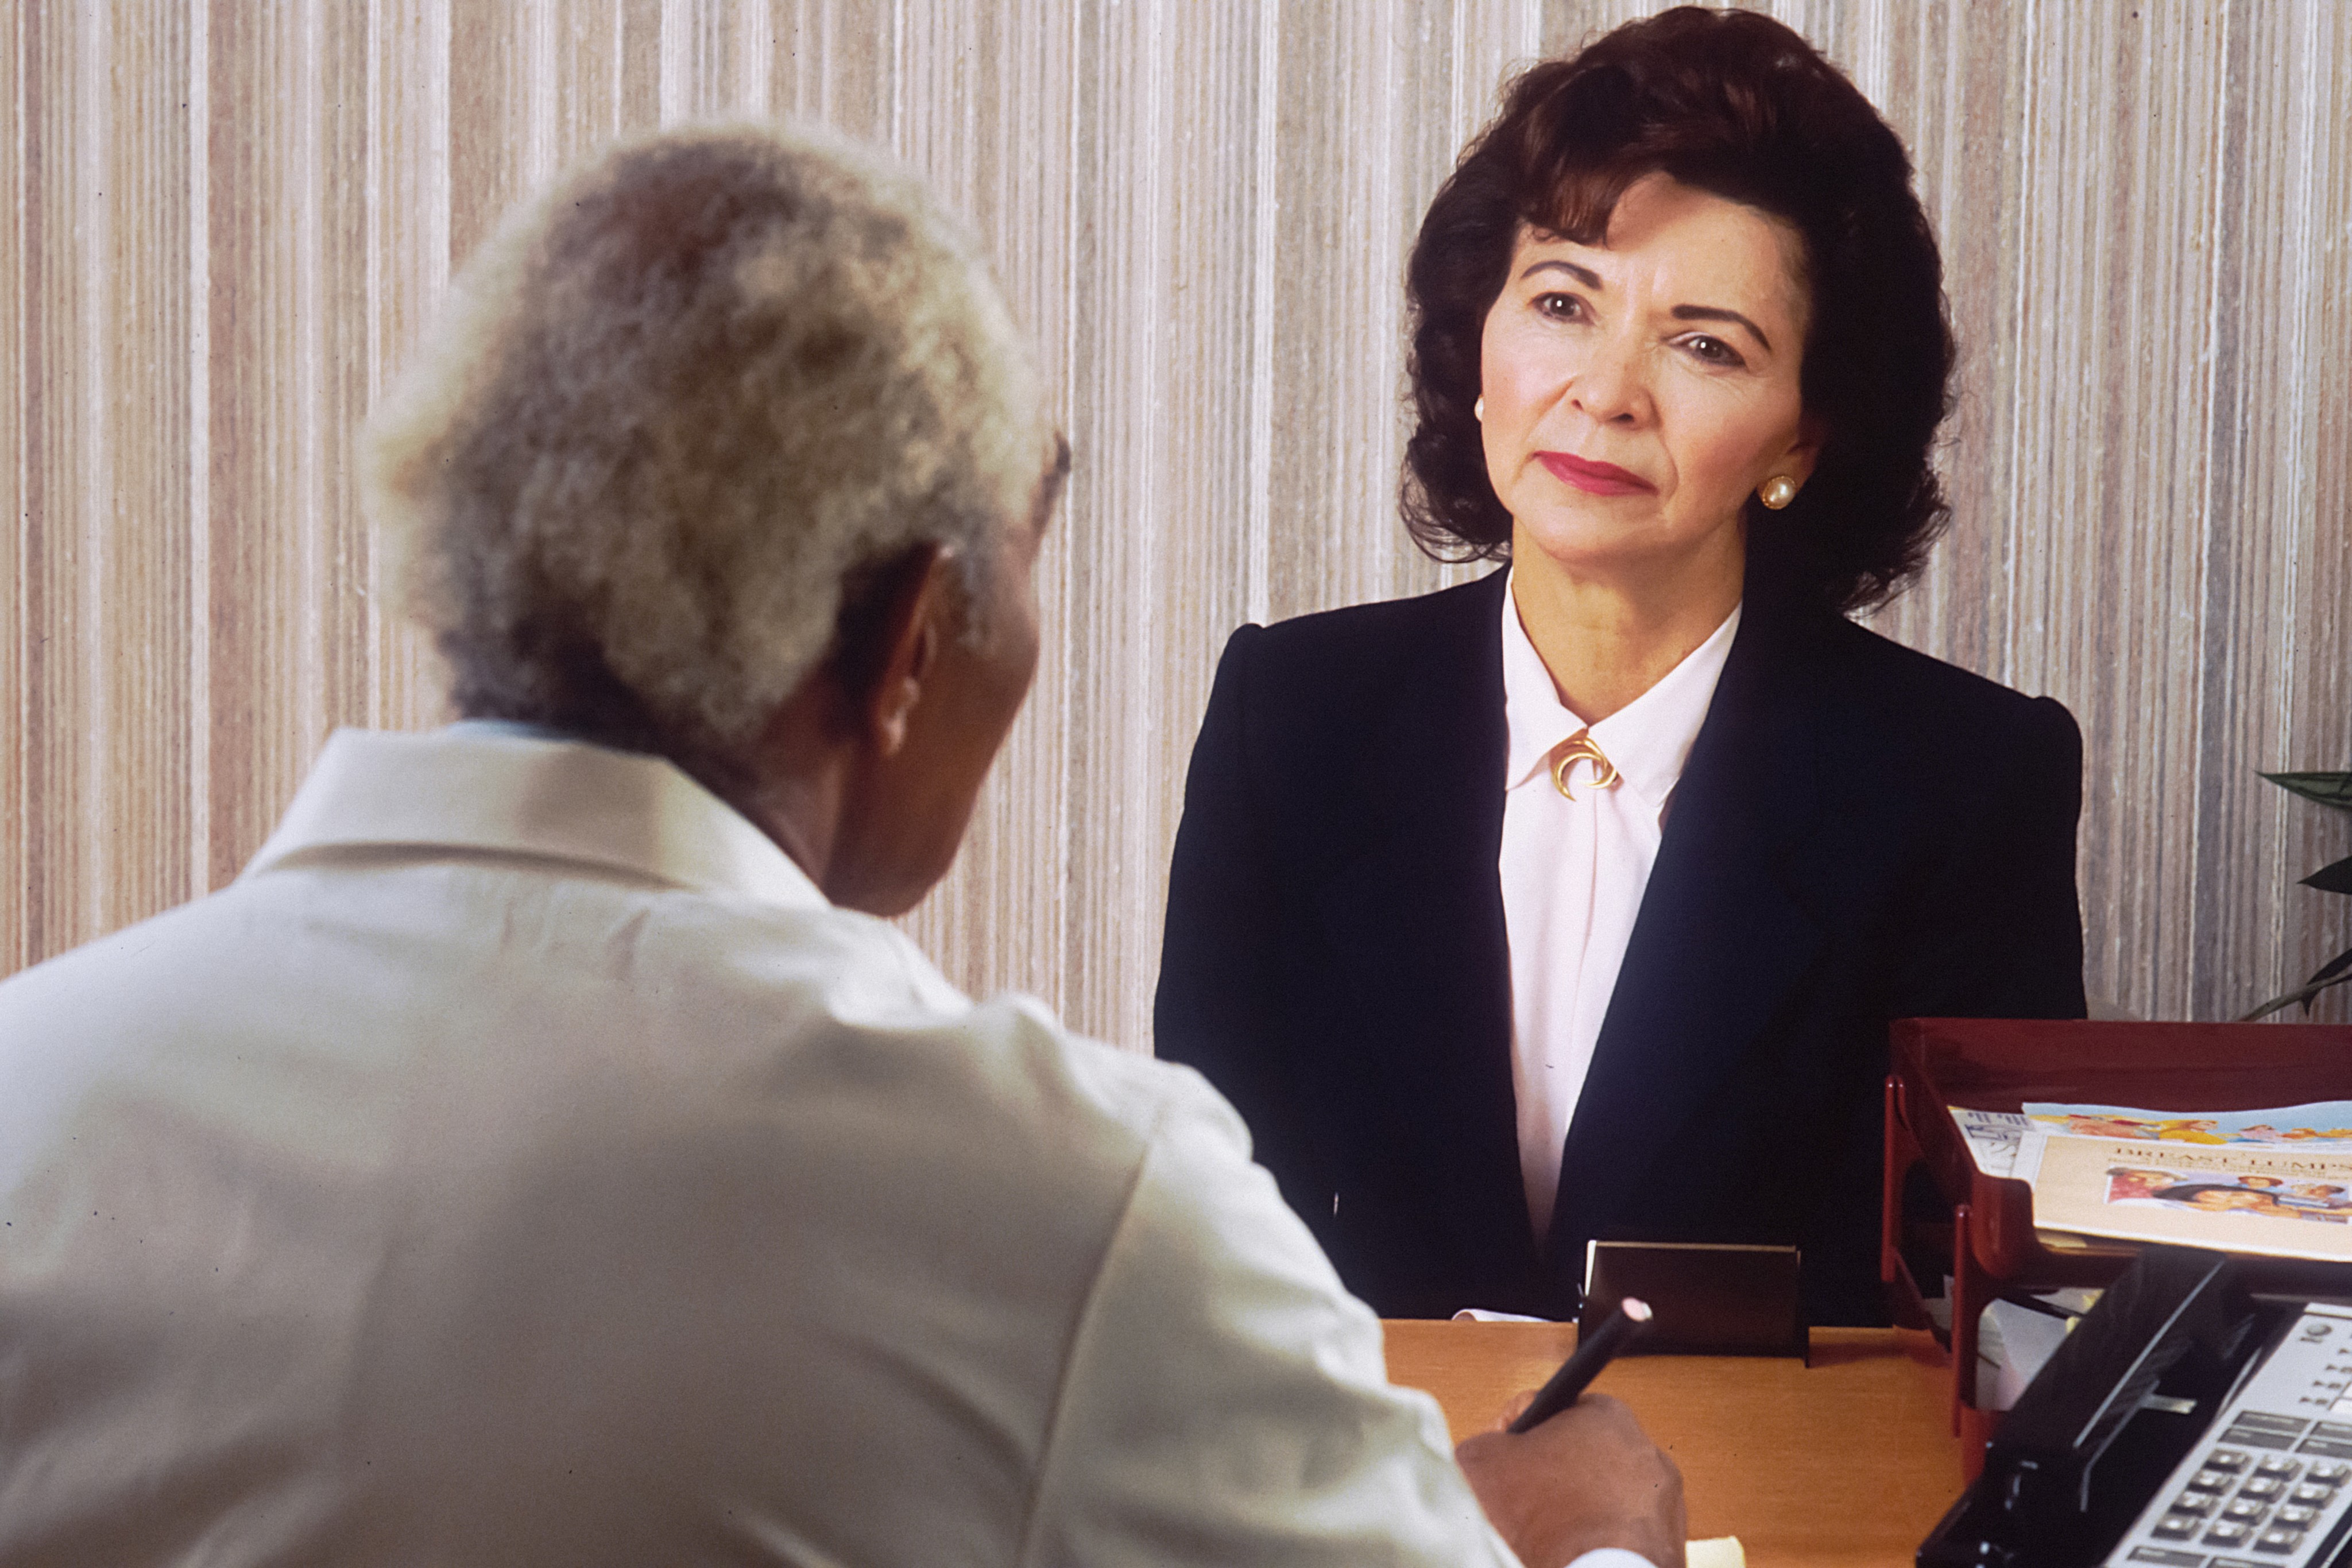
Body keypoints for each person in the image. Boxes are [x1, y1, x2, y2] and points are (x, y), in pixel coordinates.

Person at [0, 125, 1684, 1566]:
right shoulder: (1072, 1205)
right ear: (906, 642)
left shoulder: (32, 1092)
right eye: (1026, 565)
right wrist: (1588, 1527)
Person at [1156, 6, 2087, 1327]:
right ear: (1478, 347)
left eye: (1704, 344)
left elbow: (1972, 1309)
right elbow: (1206, 1236)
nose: (1605, 390)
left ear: (1801, 440)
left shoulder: (1961, 785)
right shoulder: (1291, 717)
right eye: (1559, 303)